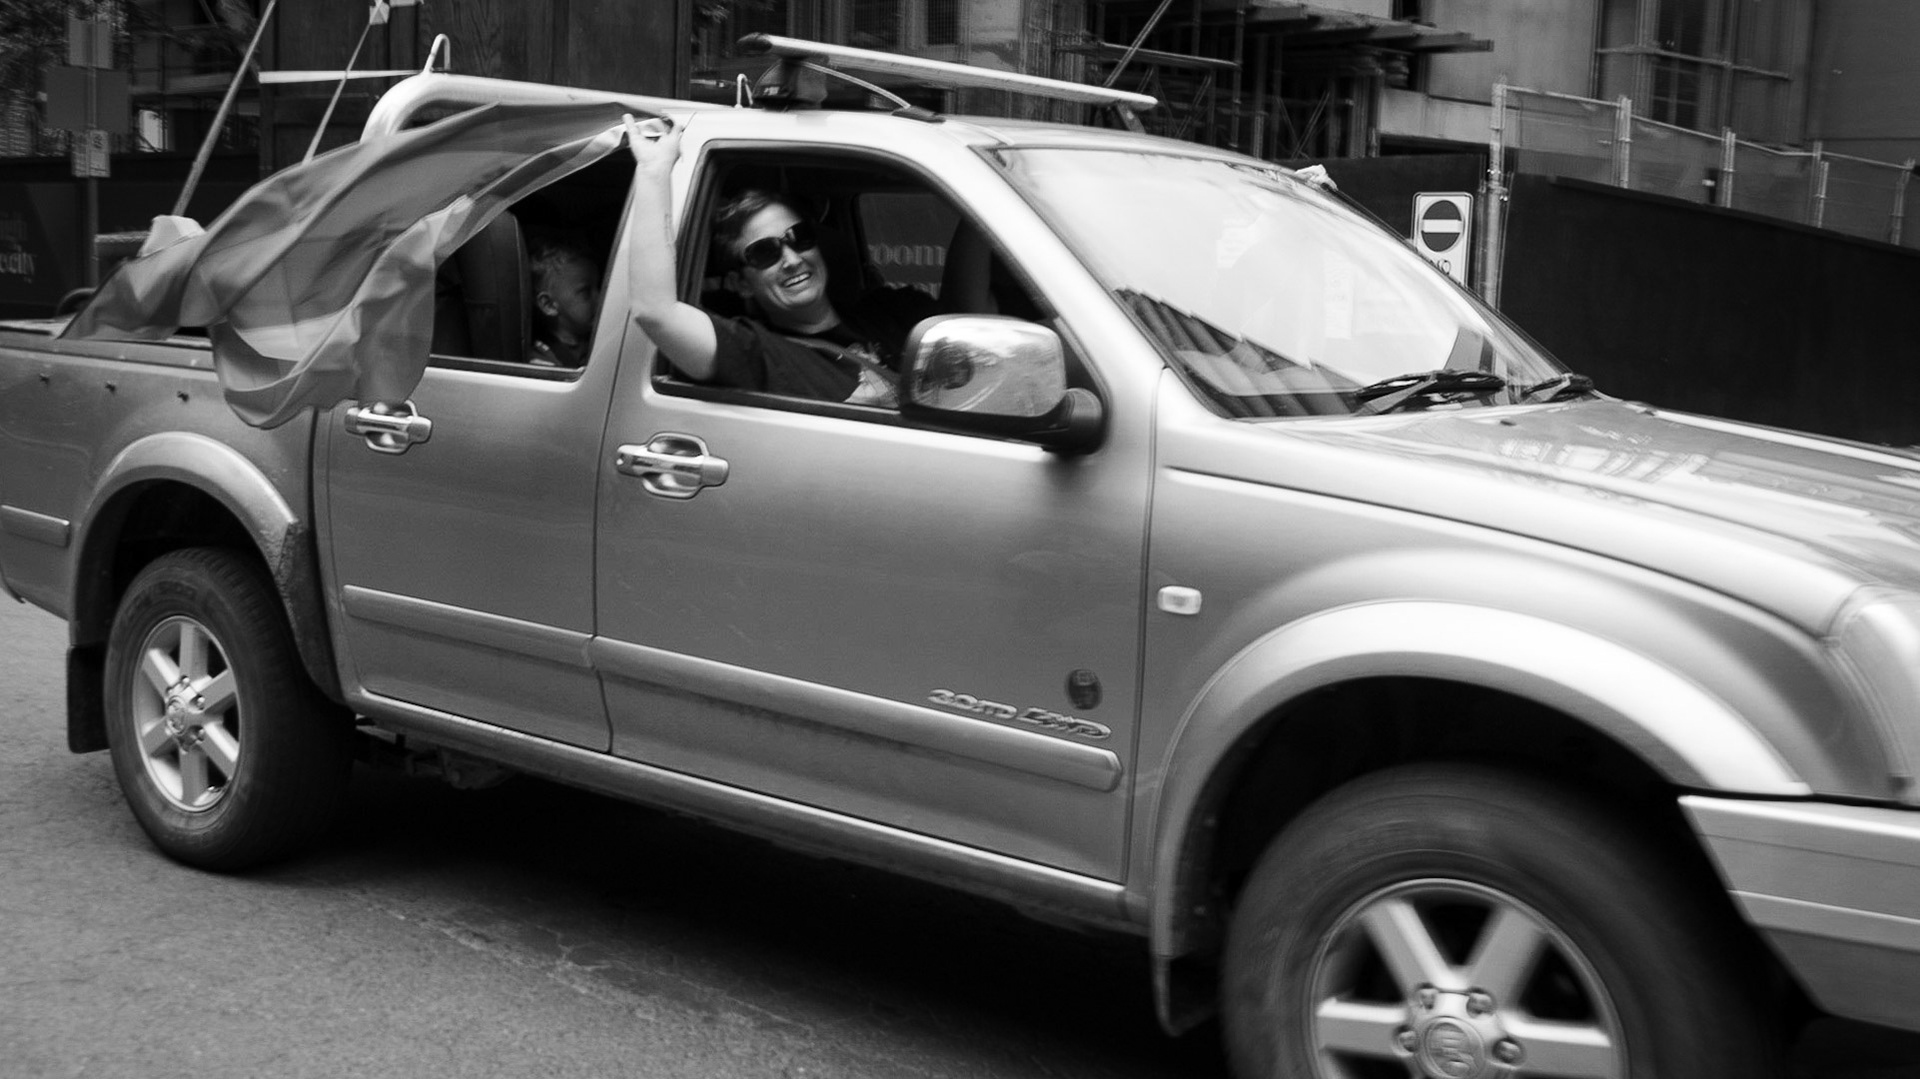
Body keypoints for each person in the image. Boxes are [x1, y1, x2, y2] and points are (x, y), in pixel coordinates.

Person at [621, 114, 987, 405]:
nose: (792, 259)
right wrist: (654, 174)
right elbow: (655, 312)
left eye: (799, 238)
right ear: (740, 283)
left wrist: (986, 192)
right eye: (765, 252)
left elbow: (972, 323)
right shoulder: (756, 352)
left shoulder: (893, 312)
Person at [525, 236, 602, 368]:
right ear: (548, 305)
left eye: (599, 287)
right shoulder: (543, 362)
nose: (600, 298)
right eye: (585, 292)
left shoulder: (600, 340)